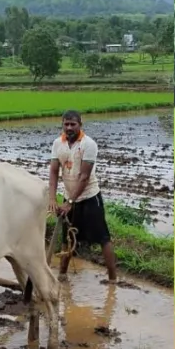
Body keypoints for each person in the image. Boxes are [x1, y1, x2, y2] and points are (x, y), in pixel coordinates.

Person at [48, 110, 118, 282]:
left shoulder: (88, 144)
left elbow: (84, 177)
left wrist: (70, 202)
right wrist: (52, 199)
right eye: (66, 124)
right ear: (62, 124)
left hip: (89, 197)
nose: (69, 127)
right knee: (67, 238)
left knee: (103, 238)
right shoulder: (58, 143)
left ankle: (112, 279)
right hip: (68, 198)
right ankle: (62, 275)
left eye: (73, 124)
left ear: (80, 124)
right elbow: (54, 171)